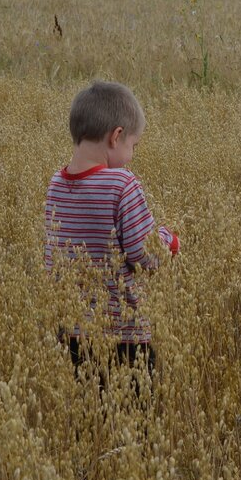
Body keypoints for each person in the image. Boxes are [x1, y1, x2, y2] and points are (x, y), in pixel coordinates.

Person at [44, 81, 180, 387]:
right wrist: (167, 240)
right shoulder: (122, 184)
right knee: (134, 424)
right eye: (133, 146)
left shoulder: (56, 184)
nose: (131, 156)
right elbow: (143, 255)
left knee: (89, 421)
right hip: (124, 335)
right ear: (116, 136)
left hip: (72, 332)